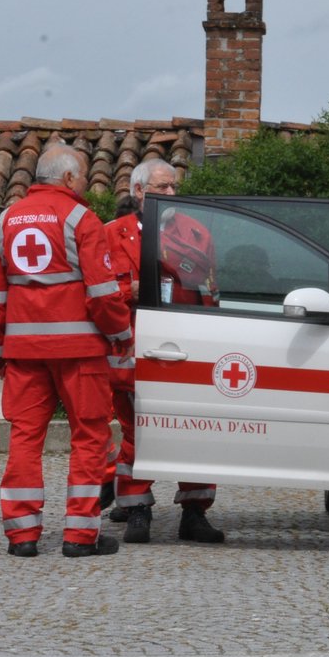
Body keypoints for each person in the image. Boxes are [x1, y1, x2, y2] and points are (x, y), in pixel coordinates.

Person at [0, 144, 132, 557]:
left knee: (25, 439)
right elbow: (102, 295)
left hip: (25, 353)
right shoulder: (82, 219)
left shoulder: (4, 221)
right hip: (80, 352)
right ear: (68, 178)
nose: (85, 184)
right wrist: (120, 333)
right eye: (83, 177)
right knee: (89, 436)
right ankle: (80, 536)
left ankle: (22, 536)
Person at [103, 158, 225, 544]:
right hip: (133, 347)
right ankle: (138, 510)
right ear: (138, 191)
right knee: (137, 434)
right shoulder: (111, 234)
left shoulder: (197, 232)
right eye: (163, 187)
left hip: (187, 348)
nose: (172, 193)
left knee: (198, 432)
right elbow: (100, 293)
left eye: (174, 186)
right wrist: (133, 291)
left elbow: (211, 292)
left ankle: (195, 512)